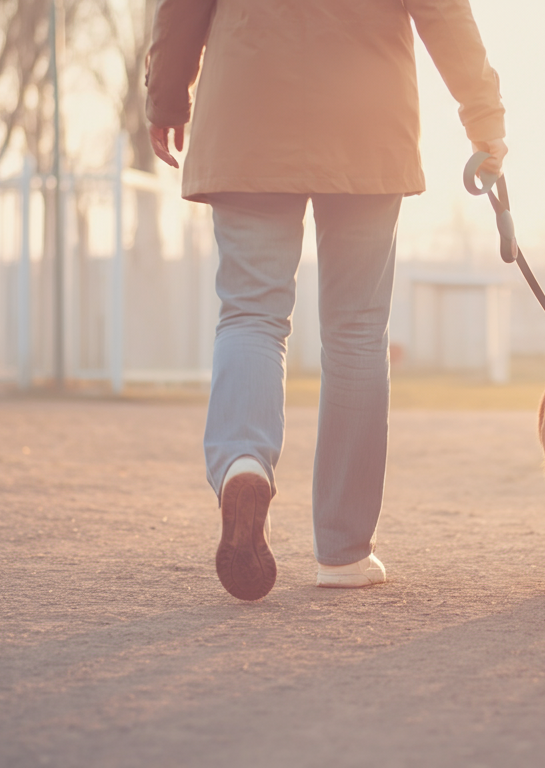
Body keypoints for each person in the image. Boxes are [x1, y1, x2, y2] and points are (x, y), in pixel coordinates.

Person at [145, 0, 507, 601]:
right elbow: (442, 9)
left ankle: (242, 462)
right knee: (358, 331)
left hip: (248, 106)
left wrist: (166, 97)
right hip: (365, 114)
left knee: (251, 312)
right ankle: (343, 551)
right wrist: (483, 116)